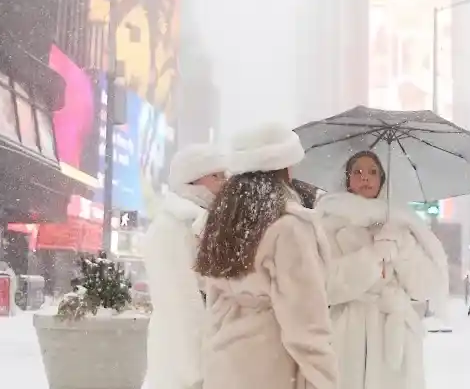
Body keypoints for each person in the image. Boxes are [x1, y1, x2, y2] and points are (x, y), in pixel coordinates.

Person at [196, 122, 336, 389]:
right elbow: (306, 324)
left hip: (224, 362)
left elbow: (213, 300)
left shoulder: (223, 221)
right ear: (283, 167)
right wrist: (323, 380)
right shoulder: (289, 226)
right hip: (270, 365)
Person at [315, 150, 449, 389]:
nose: (365, 177)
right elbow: (326, 286)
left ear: (382, 179)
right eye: (357, 172)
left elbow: (424, 287)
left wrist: (401, 247)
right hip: (347, 336)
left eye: (373, 172)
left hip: (395, 339)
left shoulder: (402, 224)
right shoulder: (328, 225)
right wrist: (372, 257)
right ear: (346, 179)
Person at [142, 144, 227, 389]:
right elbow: (183, 300)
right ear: (192, 179)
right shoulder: (178, 226)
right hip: (186, 357)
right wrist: (197, 365)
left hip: (189, 351)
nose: (224, 183)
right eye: (216, 176)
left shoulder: (196, 221)